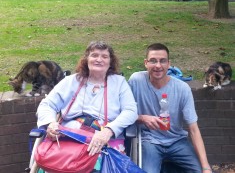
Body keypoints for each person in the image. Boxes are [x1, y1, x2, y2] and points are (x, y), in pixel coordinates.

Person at [37, 41, 138, 172]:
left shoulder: (119, 83)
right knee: (55, 162)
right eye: (94, 55)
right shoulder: (71, 81)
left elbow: (130, 111)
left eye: (104, 56)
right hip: (70, 135)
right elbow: (47, 105)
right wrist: (50, 123)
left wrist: (108, 131)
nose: (99, 59)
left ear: (110, 61)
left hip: (103, 136)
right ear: (87, 59)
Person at [128, 43, 212, 173]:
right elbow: (124, 112)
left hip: (177, 141)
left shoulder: (182, 88)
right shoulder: (136, 80)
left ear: (169, 64)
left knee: (200, 170)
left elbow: (194, 129)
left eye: (163, 61)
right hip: (150, 141)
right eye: (153, 61)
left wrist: (206, 167)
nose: (158, 65)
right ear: (146, 63)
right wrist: (142, 118)